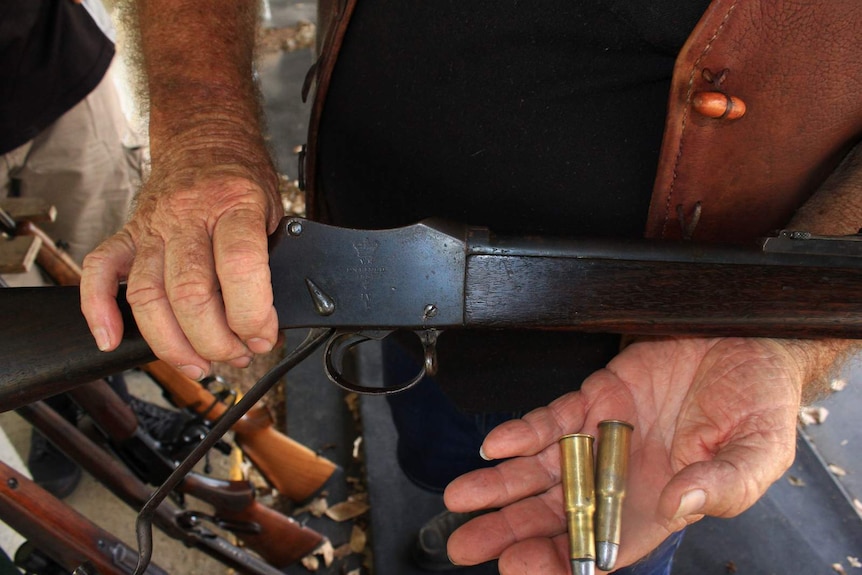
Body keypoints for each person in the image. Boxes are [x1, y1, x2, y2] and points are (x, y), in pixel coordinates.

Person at [79, 1, 862, 573]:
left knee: (583, 533)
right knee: (445, 456)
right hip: (391, 283)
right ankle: (455, 507)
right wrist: (203, 129)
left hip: (644, 368)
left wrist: (789, 347)